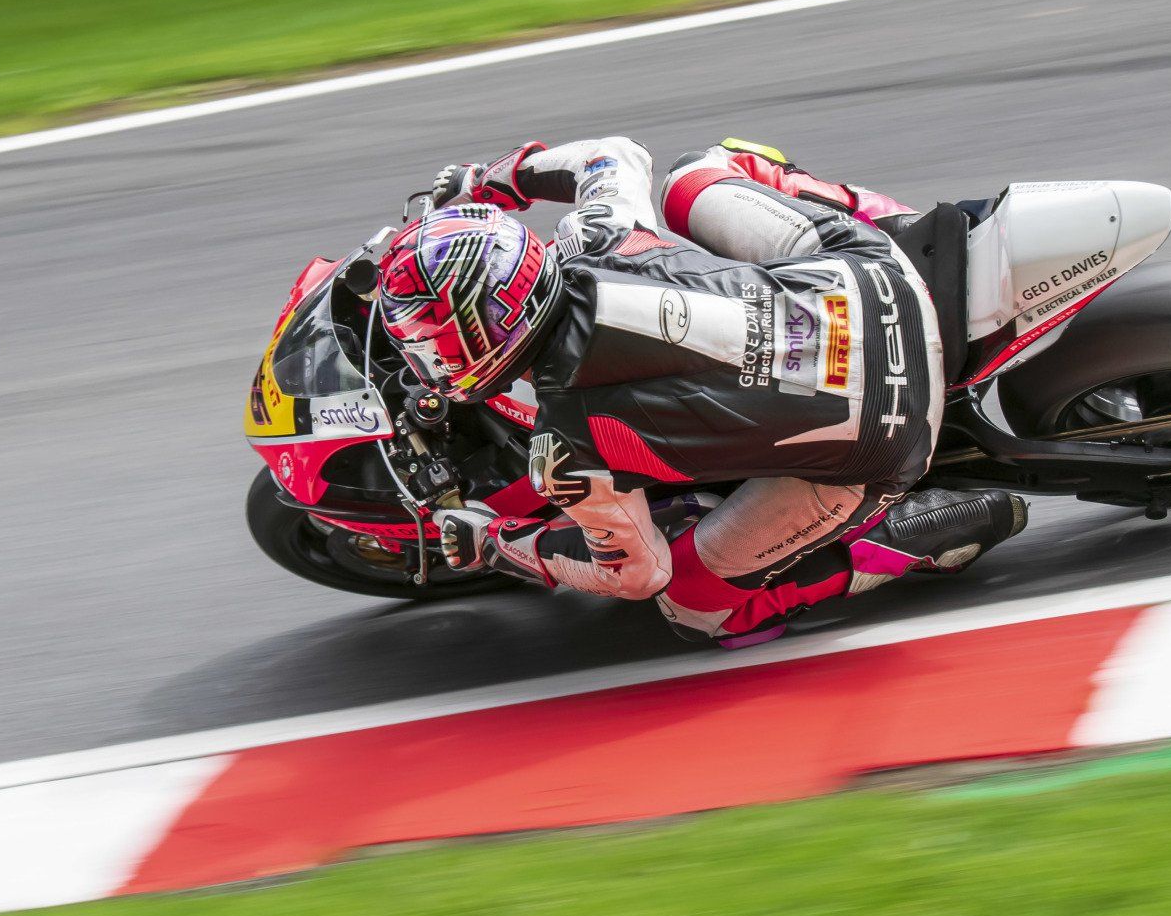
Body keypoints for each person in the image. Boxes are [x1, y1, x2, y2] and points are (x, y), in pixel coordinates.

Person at [375, 136, 1027, 646]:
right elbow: (614, 154)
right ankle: (898, 221)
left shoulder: (565, 452)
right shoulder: (599, 232)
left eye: (431, 342)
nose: (423, 356)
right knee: (697, 174)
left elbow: (636, 574)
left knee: (695, 607)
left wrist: (496, 545)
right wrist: (495, 178)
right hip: (879, 278)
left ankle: (908, 536)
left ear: (484, 338)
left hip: (888, 436)